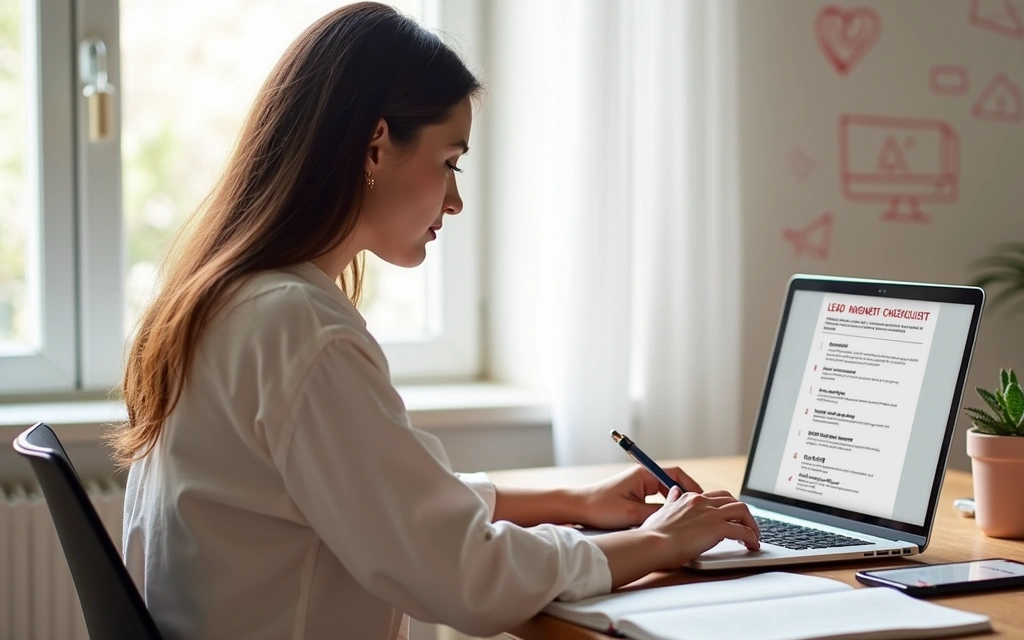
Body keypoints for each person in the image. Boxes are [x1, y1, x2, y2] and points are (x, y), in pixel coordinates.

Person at [111, 3, 761, 639]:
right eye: (449, 162)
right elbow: (466, 578)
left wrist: (572, 502)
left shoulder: (229, 300)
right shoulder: (299, 329)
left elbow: (387, 499)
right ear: (374, 145)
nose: (454, 200)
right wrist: (657, 543)